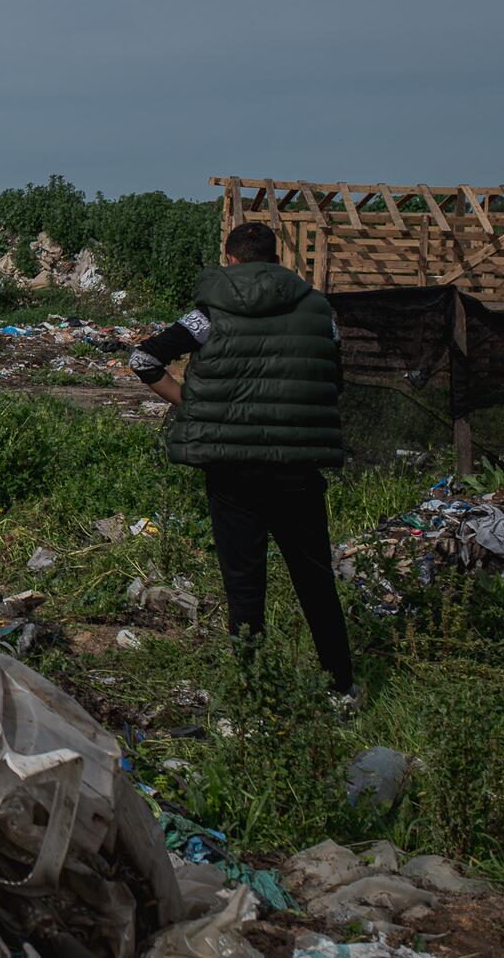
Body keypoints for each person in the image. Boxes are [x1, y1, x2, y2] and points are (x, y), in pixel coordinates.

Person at [129, 220, 355, 694]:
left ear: (230, 261)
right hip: (298, 469)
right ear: (276, 260)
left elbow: (145, 360)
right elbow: (332, 379)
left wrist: (195, 402)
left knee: (244, 583)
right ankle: (341, 688)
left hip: (233, 472)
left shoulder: (208, 315)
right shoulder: (319, 313)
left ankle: (254, 692)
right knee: (316, 581)